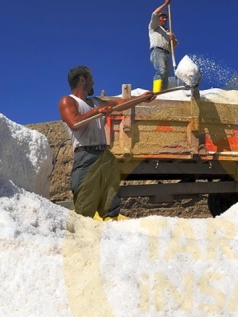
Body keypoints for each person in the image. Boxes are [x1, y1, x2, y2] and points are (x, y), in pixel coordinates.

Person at [58, 66, 154, 219]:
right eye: (90, 79)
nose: (93, 82)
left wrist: (141, 98)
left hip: (104, 154)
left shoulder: (95, 102)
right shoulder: (68, 101)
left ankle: (110, 223)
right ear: (82, 80)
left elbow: (119, 104)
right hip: (86, 156)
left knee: (111, 199)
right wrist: (96, 112)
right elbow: (74, 123)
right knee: (84, 206)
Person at [150, 0, 178, 91]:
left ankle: (163, 92)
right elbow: (154, 13)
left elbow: (173, 45)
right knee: (161, 70)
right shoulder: (154, 27)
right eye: (163, 17)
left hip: (166, 53)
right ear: (158, 19)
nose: (165, 19)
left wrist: (172, 39)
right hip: (157, 51)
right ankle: (156, 91)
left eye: (166, 18)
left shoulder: (168, 32)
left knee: (166, 76)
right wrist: (165, 4)